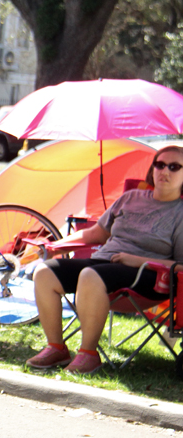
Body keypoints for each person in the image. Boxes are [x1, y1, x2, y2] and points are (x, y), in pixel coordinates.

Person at [26, 146, 183, 374]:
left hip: (149, 275)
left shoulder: (180, 212)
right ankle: (56, 347)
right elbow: (94, 234)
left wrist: (135, 260)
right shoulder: (130, 197)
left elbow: (180, 266)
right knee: (45, 272)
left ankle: (88, 353)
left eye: (174, 167)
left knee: (91, 275)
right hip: (103, 263)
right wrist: (56, 247)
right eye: (159, 164)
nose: (164, 171)